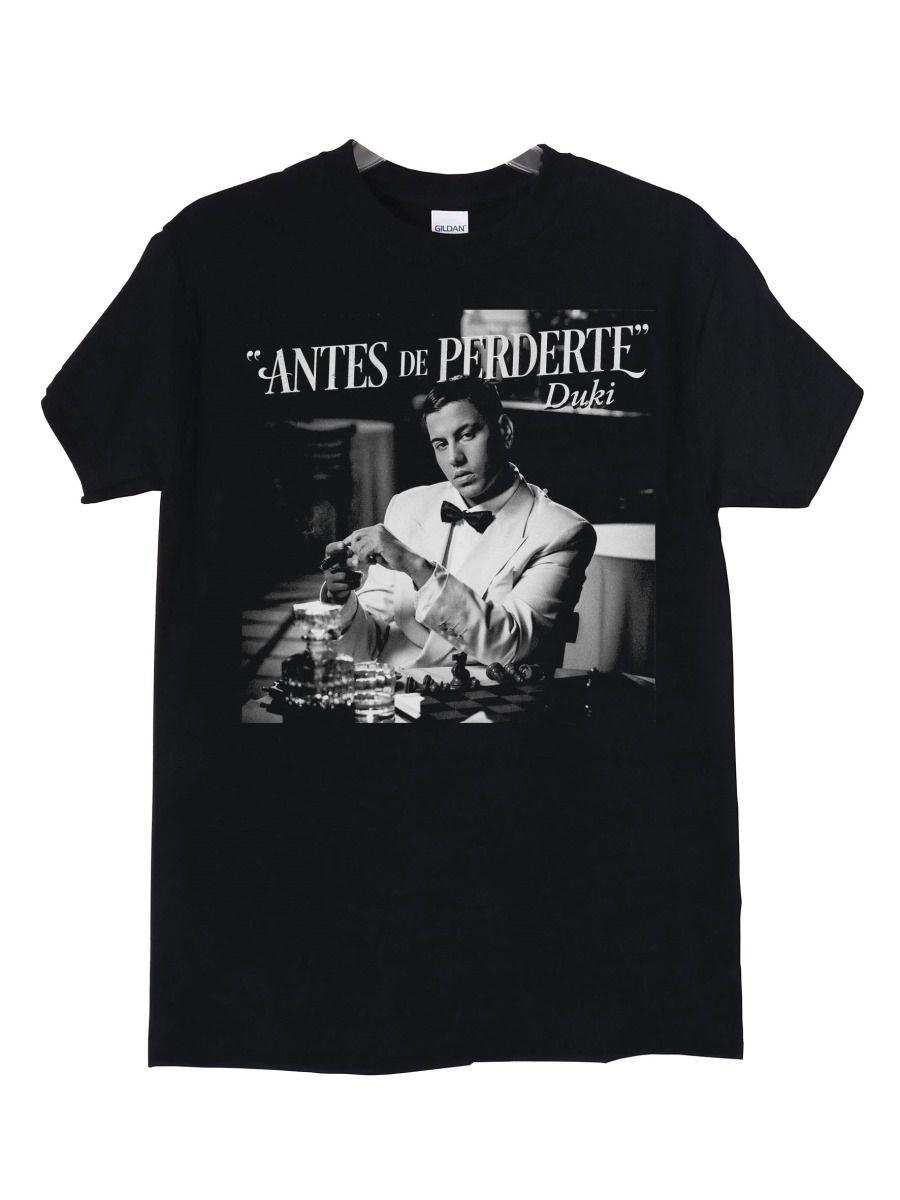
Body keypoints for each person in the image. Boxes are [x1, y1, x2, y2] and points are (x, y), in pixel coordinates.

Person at [320, 375, 597, 669]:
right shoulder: (406, 506)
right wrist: (342, 601)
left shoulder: (562, 532)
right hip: (397, 685)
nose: (454, 458)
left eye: (466, 435)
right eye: (441, 444)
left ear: (504, 431)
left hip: (490, 693)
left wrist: (414, 565)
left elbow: (510, 646)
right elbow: (369, 644)